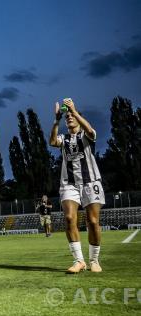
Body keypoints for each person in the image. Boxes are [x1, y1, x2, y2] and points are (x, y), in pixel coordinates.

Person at [50, 98, 104, 273]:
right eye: (67, 117)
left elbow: (89, 129)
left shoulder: (86, 135)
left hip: (91, 181)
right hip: (69, 184)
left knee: (93, 221)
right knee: (69, 218)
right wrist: (57, 120)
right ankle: (79, 261)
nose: (69, 118)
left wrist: (74, 110)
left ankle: (94, 260)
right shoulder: (64, 138)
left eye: (72, 116)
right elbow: (52, 142)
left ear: (78, 117)